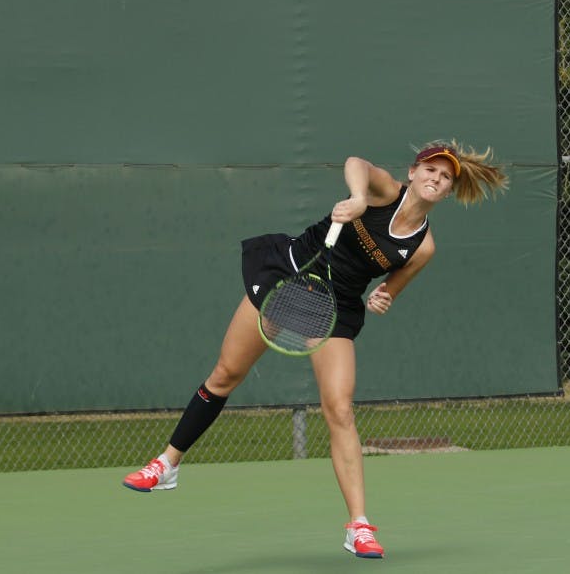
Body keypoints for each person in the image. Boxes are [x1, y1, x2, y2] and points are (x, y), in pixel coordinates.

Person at [121, 140, 508, 559]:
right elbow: (356, 161)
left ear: (449, 190)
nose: (436, 178)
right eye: (431, 169)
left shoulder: (423, 247)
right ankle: (167, 465)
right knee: (226, 375)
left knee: (339, 408)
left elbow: (388, 290)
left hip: (335, 304)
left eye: (446, 176)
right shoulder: (382, 191)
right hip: (292, 270)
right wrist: (359, 198)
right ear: (413, 173)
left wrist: (384, 298)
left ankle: (358, 526)